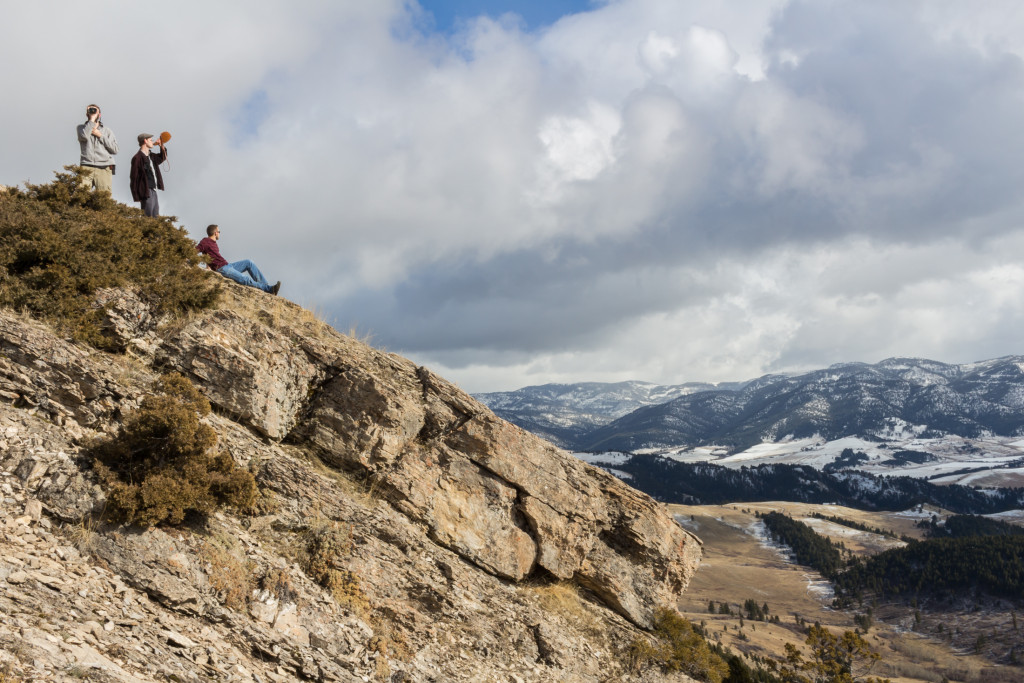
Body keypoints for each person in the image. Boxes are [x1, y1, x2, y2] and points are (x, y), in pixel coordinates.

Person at [196, 224, 281, 295]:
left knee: (249, 262)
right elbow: (196, 250)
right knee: (245, 279)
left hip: (228, 265)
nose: (219, 233)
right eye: (219, 232)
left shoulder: (213, 243)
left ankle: (265, 286)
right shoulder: (205, 241)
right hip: (222, 269)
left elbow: (207, 255)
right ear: (215, 233)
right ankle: (270, 289)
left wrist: (208, 267)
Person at [76, 104, 119, 192]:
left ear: (99, 115)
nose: (92, 112)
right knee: (81, 195)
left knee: (104, 197)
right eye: (90, 111)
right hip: (86, 165)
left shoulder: (107, 131)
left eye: (95, 111)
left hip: (104, 166)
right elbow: (84, 136)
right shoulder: (81, 128)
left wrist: (100, 135)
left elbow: (115, 149)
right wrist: (91, 120)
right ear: (86, 114)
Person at [129, 133, 168, 216]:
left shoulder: (151, 156)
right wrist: (136, 196)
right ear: (145, 141)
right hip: (145, 190)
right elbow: (134, 178)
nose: (152, 142)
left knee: (155, 214)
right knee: (148, 216)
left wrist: (161, 146)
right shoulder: (137, 158)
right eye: (150, 140)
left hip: (153, 189)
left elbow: (162, 157)